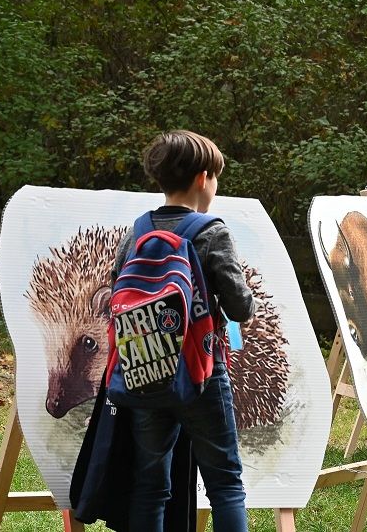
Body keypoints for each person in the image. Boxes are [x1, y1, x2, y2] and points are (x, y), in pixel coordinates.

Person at [112, 130, 255, 531]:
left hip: (145, 370)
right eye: (216, 178)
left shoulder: (136, 232)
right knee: (225, 483)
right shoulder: (212, 231)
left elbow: (116, 293)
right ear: (202, 178)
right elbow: (240, 307)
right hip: (201, 373)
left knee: (150, 486)